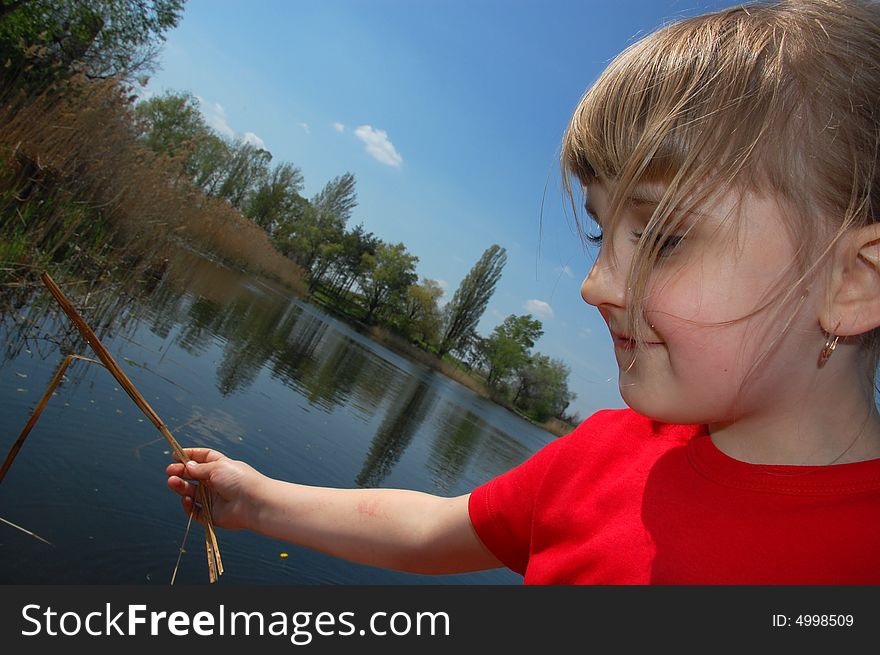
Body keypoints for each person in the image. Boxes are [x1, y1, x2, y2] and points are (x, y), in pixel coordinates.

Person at [167, 0, 880, 583]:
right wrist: (256, 501)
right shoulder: (602, 456)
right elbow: (430, 533)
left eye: (664, 237)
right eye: (602, 235)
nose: (596, 285)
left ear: (855, 280)